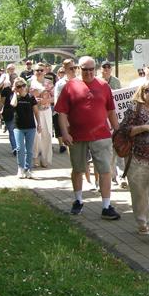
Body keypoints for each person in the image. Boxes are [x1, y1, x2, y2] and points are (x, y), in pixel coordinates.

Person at [55, 56, 121, 219]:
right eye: (85, 69)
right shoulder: (70, 86)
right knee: (78, 169)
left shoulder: (104, 86)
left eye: (91, 69)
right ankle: (78, 201)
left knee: (105, 170)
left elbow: (111, 111)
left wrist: (118, 131)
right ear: (79, 69)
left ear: (96, 69)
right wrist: (64, 133)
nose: (89, 72)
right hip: (76, 136)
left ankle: (106, 206)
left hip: (101, 135)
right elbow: (61, 112)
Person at [116, 81, 149, 245]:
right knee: (139, 195)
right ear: (141, 92)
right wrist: (144, 127)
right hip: (138, 159)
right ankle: (142, 222)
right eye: (147, 90)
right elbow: (124, 130)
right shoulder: (134, 109)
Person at [10, 77, 41, 179]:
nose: (22, 88)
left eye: (23, 85)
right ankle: (20, 169)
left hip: (30, 127)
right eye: (19, 86)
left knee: (29, 150)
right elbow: (12, 104)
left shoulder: (31, 97)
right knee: (20, 149)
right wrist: (15, 92)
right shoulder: (15, 97)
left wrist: (39, 124)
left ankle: (28, 170)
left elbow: (36, 112)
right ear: (16, 87)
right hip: (18, 127)